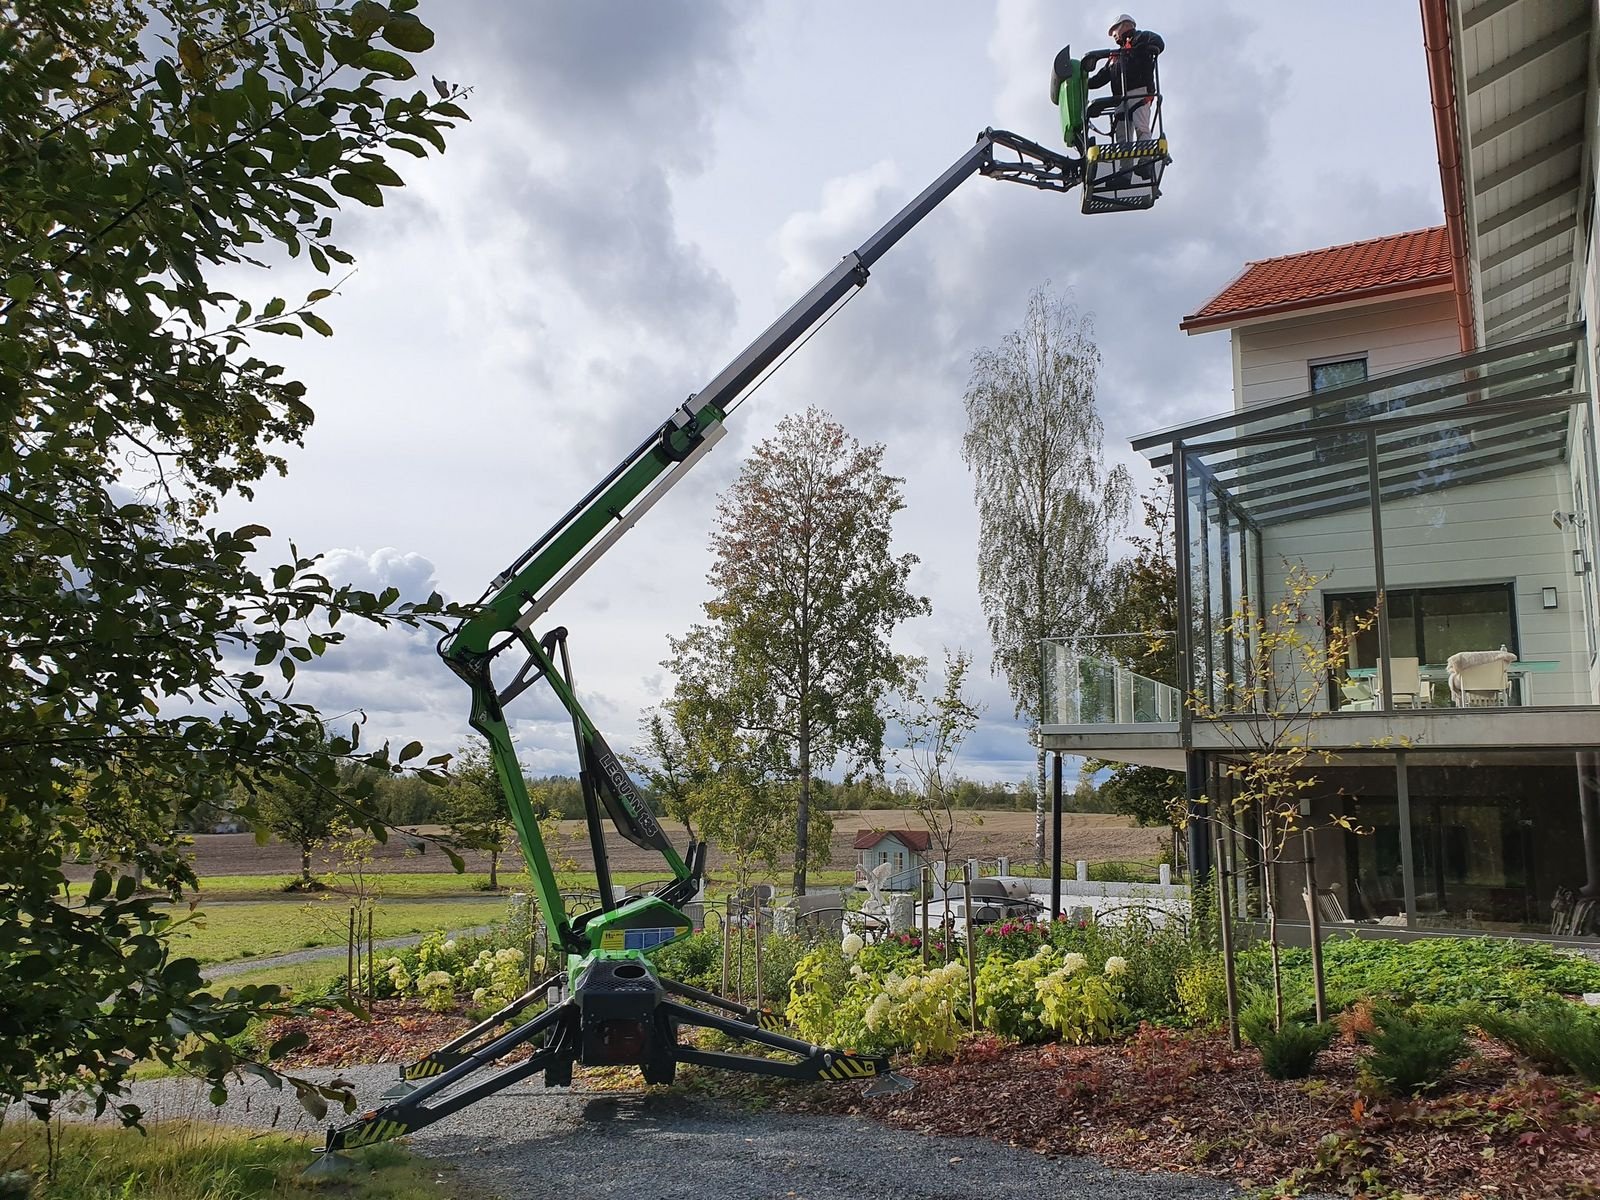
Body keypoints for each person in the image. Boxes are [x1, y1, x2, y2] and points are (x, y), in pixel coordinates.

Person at [1088, 13, 1164, 145]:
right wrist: (1083, 82)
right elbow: (1100, 78)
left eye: (1115, 30)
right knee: (1121, 134)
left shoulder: (1142, 37)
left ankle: (1145, 161)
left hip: (1140, 92)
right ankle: (1125, 166)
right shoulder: (1115, 57)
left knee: (1141, 127)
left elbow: (1158, 42)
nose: (1114, 35)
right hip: (1120, 98)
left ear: (1126, 25)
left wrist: (1137, 50)